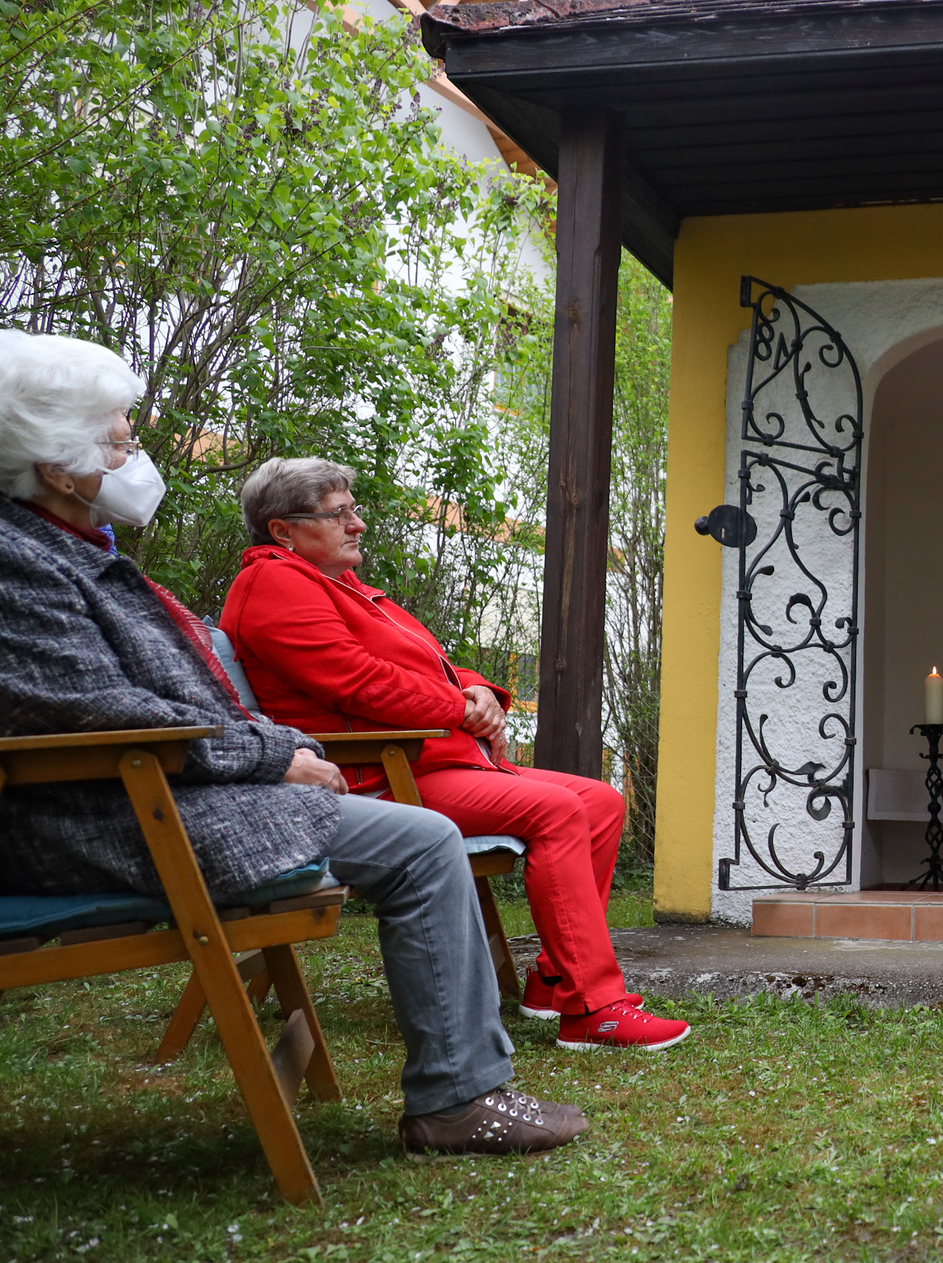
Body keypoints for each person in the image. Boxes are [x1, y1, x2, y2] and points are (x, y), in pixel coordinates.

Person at [0, 330, 582, 1154]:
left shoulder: (73, 549)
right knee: (424, 844)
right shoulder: (19, 563)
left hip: (165, 792)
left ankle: (474, 1076)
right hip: (112, 811)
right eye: (123, 441)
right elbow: (99, 713)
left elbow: (174, 700)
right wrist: (275, 758)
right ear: (59, 467)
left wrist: (283, 745)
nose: (137, 457)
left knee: (447, 830)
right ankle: (458, 1099)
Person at [220, 457, 688, 1054]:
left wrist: (478, 690)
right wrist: (458, 708)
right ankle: (593, 1007)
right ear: (282, 529)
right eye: (339, 515)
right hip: (376, 779)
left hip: (430, 761)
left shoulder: (343, 586)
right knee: (557, 811)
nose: (357, 525)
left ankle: (552, 981)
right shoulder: (275, 584)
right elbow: (356, 681)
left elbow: (426, 661)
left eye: (353, 511)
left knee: (599, 800)